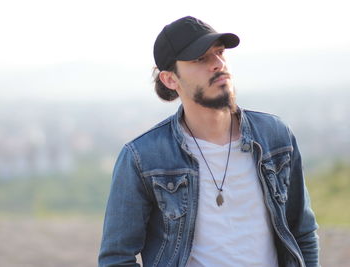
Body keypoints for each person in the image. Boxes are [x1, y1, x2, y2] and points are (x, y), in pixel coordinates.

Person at [98, 16, 319, 267]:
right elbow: (116, 258)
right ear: (170, 79)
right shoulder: (143, 157)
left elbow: (302, 233)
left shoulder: (275, 137)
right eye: (200, 58)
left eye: (219, 52)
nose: (217, 64)